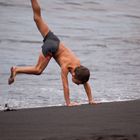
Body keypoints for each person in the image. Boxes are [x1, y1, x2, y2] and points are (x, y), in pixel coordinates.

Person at [8, 0, 95, 106]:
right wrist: (68, 103)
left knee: (37, 18)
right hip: (51, 48)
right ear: (73, 74)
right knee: (38, 70)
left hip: (54, 39)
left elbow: (85, 82)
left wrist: (91, 100)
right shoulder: (66, 67)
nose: (78, 85)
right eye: (78, 83)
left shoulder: (79, 67)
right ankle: (17, 69)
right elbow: (65, 85)